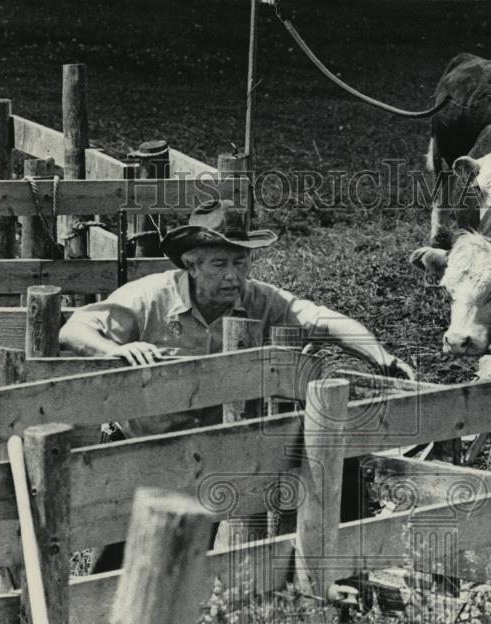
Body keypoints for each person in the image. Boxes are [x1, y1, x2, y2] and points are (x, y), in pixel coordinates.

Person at [60, 199, 415, 571]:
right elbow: (75, 329)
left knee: (191, 562)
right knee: (119, 563)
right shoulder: (148, 298)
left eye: (240, 262)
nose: (233, 275)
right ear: (191, 265)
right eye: (219, 264)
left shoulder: (258, 300)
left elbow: (323, 321)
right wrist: (117, 349)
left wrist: (382, 357)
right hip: (142, 448)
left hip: (212, 455)